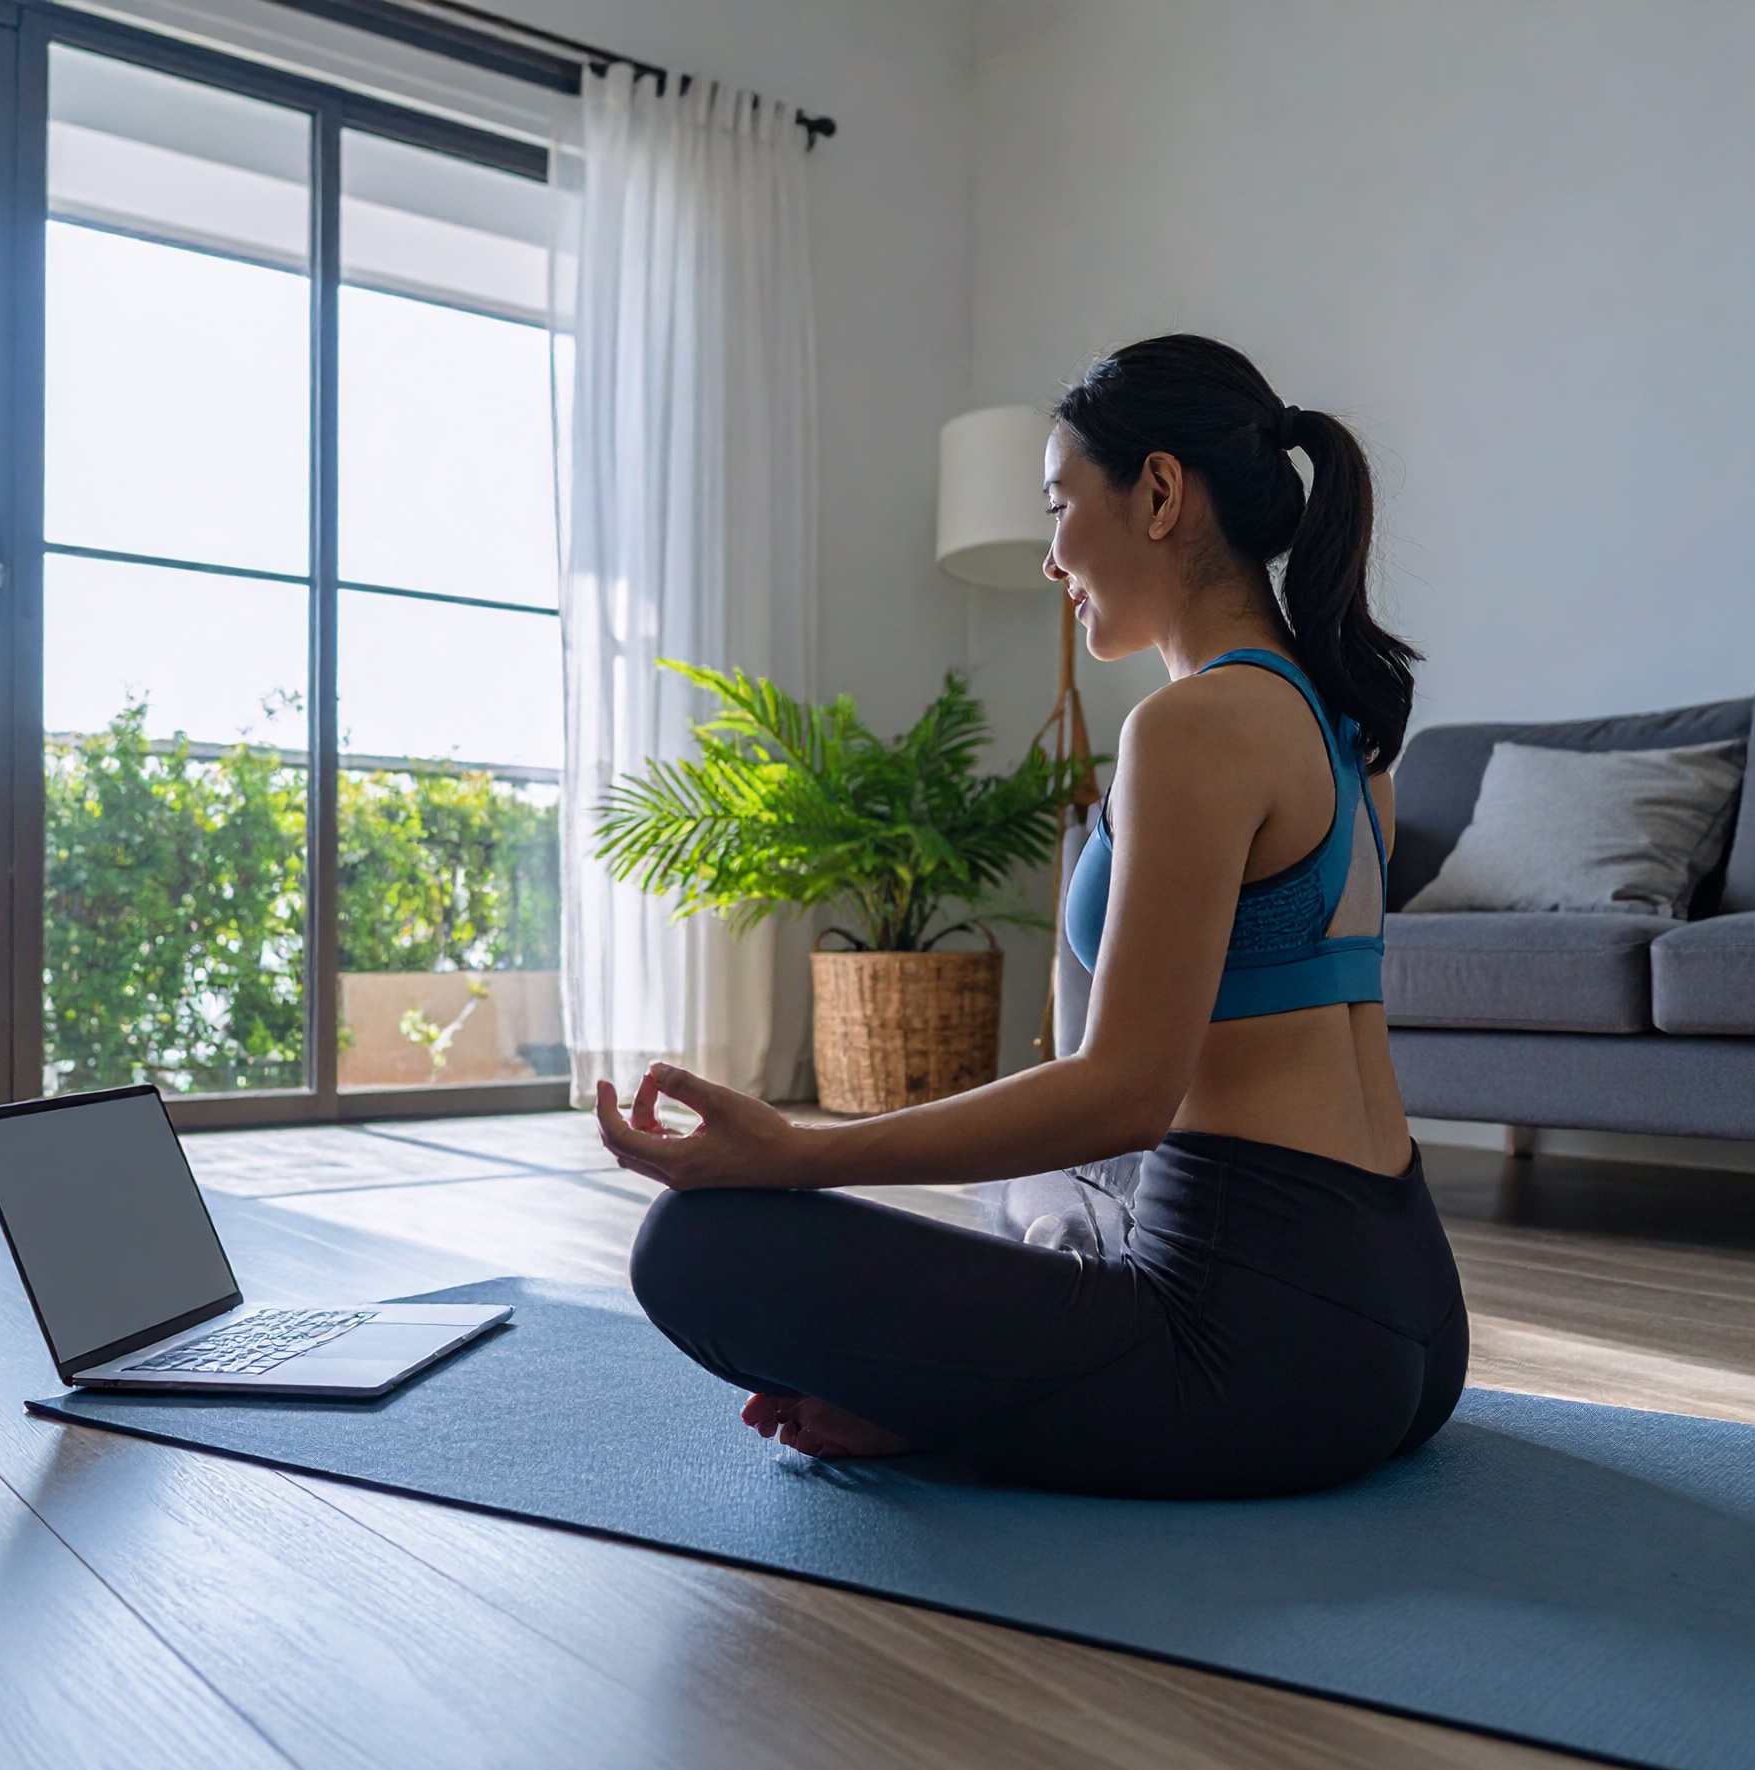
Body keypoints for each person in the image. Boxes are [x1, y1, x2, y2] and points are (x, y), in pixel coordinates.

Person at [597, 334, 1467, 1500]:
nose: (1055, 554)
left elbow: (1123, 1091)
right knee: (1022, 1198)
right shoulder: (1343, 731)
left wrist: (800, 1151)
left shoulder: (1192, 728)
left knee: (698, 1249)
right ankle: (959, 1400)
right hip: (1408, 1308)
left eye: (1061, 505)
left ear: (1159, 493)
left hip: (1260, 1352)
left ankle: (948, 1409)